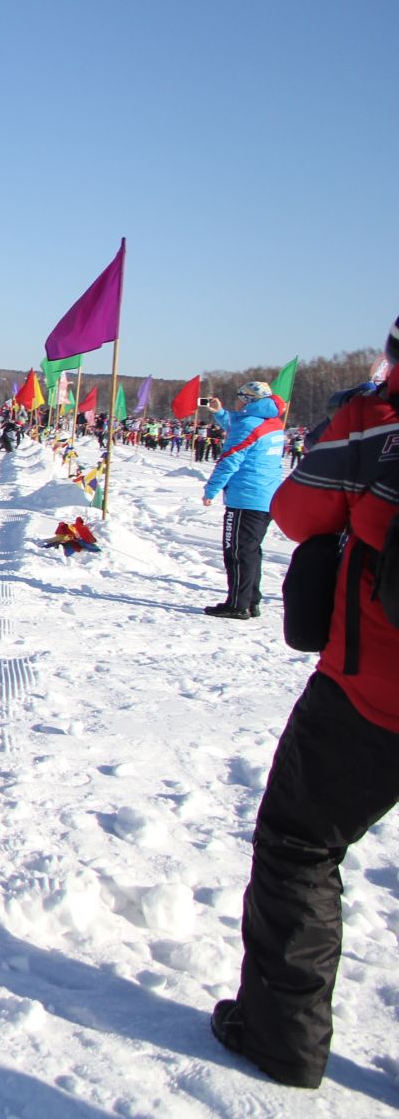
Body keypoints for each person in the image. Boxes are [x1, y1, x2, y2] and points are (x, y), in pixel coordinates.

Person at [210, 318, 399, 1090]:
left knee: (299, 844)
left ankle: (282, 1037)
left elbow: (300, 513)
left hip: (373, 688)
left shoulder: (375, 419)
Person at [201, 381, 289, 619]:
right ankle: (251, 601)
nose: (237, 402)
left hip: (246, 497)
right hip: (266, 496)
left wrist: (211, 490)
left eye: (240, 398)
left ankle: (238, 604)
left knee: (237, 552)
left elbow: (230, 460)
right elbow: (239, 425)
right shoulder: (271, 421)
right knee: (251, 551)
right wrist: (219, 413)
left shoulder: (248, 424)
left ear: (248, 400)